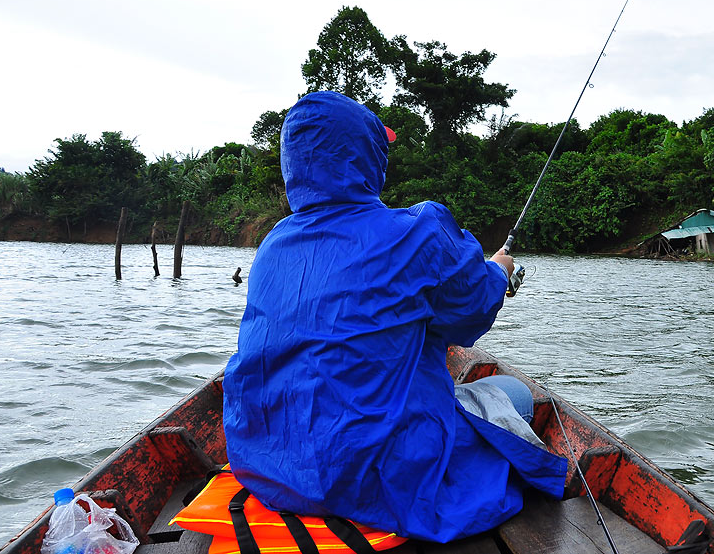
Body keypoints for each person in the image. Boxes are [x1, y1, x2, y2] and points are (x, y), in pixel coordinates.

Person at [222, 91, 568, 543]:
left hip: (268, 462)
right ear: (366, 158)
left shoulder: (272, 246)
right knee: (515, 394)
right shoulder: (418, 232)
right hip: (374, 472)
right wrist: (500, 273)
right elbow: (472, 314)